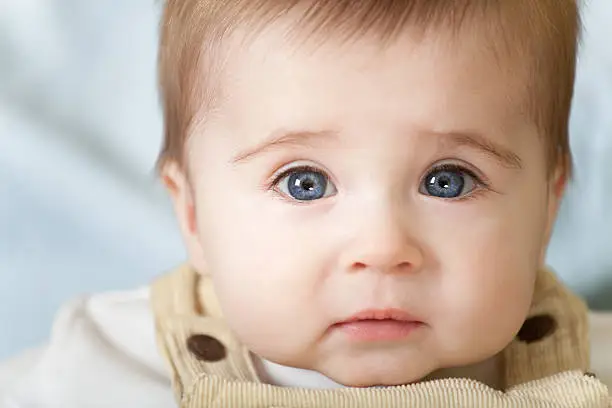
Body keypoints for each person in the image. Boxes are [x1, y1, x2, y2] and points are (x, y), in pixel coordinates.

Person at [2, 1, 611, 407]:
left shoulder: (586, 369)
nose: (382, 247)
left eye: (447, 180)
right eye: (305, 183)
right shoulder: (99, 370)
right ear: (193, 217)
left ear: (546, 208)